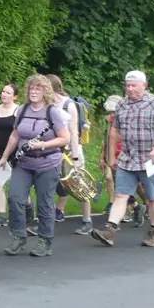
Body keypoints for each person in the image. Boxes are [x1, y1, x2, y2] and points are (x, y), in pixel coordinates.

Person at [90, 71, 154, 248]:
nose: (130, 89)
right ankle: (110, 230)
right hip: (127, 158)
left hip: (149, 159)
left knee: (152, 197)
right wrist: (111, 156)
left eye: (134, 85)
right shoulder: (122, 104)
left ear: (144, 85)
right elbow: (114, 132)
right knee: (121, 195)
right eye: (128, 85)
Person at [0, 75, 71, 257]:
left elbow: (65, 138)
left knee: (44, 203)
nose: (34, 91)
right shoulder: (22, 110)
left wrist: (42, 145)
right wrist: (4, 156)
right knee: (15, 198)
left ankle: (45, 241)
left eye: (38, 88)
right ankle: (18, 236)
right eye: (31, 88)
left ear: (46, 91)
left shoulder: (52, 112)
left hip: (47, 163)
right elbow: (15, 135)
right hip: (24, 162)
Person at [48, 75, 92, 235]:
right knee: (47, 184)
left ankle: (87, 221)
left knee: (79, 186)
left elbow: (74, 132)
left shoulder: (69, 105)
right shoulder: (48, 104)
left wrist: (75, 157)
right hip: (53, 150)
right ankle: (48, 218)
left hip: (70, 150)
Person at [0, 83, 20, 227]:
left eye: (8, 93)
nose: (4, 95)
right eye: (3, 92)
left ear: (15, 96)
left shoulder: (18, 110)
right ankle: (1, 215)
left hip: (15, 151)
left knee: (18, 184)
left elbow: (19, 132)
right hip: (0, 150)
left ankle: (26, 209)